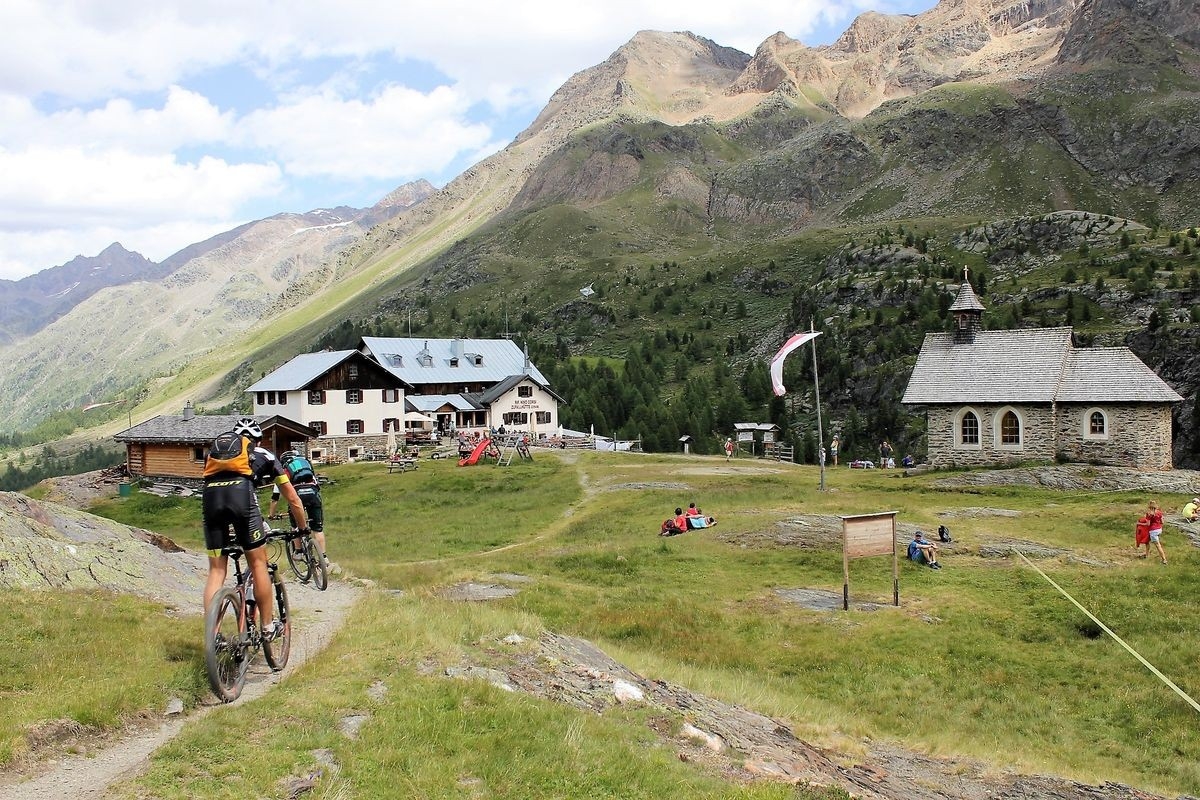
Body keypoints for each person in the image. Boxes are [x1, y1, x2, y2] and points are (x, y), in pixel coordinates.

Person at [202, 417, 309, 641]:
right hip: (241, 498)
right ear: (257, 441)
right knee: (258, 562)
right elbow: (292, 498)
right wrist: (302, 528)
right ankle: (268, 627)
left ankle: (213, 634)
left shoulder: (216, 455)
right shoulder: (266, 455)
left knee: (217, 570)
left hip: (211, 500)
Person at [268, 450, 328, 565]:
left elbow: (275, 498)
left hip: (298, 497)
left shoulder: (282, 471)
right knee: (317, 528)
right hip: (313, 495)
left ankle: (299, 552)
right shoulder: (306, 465)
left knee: (295, 526)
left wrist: (271, 514)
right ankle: (324, 557)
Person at [1145, 499, 1166, 564]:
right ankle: (1146, 555)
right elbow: (1162, 522)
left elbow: (1148, 524)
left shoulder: (1149, 514)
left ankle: (1164, 559)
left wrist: (1140, 524)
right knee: (1147, 541)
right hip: (1159, 529)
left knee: (1158, 545)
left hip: (1153, 531)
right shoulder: (1159, 512)